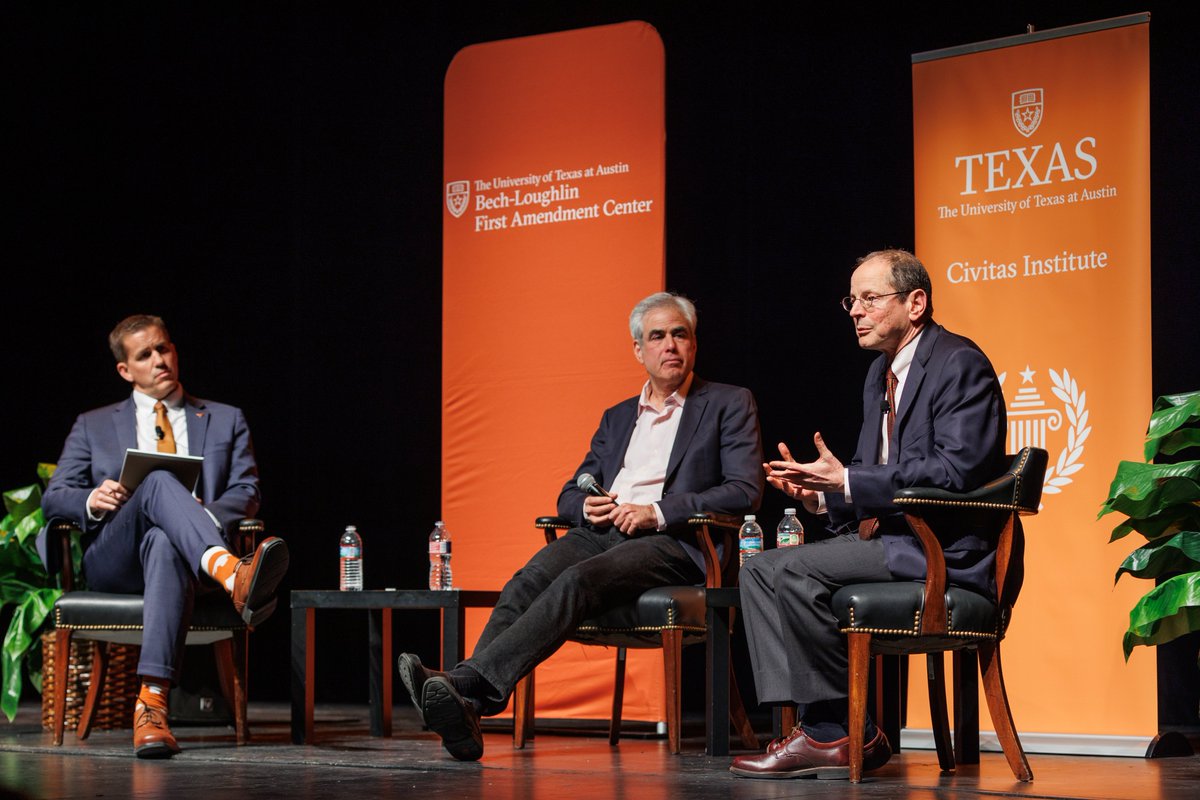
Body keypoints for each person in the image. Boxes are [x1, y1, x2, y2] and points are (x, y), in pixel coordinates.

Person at [398, 291, 764, 761]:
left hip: (675, 539)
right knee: (526, 581)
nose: (670, 344)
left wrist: (657, 510)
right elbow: (571, 490)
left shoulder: (728, 403)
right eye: (658, 336)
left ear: (693, 345)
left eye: (680, 334)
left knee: (578, 580)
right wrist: (585, 506)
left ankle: (466, 686)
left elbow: (743, 490)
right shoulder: (617, 417)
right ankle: (466, 704)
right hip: (602, 532)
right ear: (639, 350)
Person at [729, 249, 1007, 780]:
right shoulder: (878, 374)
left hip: (942, 550)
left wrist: (848, 482)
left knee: (777, 571)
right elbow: (867, 475)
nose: (856, 311)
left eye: (870, 299)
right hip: (890, 540)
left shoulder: (958, 363)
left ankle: (831, 733)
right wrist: (821, 496)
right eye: (851, 301)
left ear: (916, 302)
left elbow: (956, 472)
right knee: (764, 570)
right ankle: (834, 730)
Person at [40, 315, 289, 759]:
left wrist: (198, 517)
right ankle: (233, 573)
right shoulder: (93, 424)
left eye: (164, 348)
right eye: (145, 355)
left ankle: (151, 705)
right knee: (156, 483)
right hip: (116, 558)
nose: (160, 360)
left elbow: (246, 491)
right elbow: (54, 497)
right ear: (125, 370)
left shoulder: (225, 418)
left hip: (184, 557)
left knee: (165, 542)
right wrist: (93, 498)